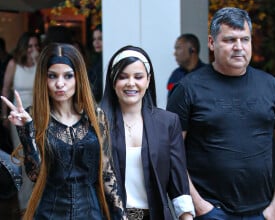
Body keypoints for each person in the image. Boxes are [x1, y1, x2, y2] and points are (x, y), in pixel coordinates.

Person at [167, 7, 275, 220]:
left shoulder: (270, 86)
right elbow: (171, 152)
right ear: (211, 43)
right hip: (211, 212)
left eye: (244, 39)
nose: (239, 47)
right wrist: (199, 206)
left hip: (261, 212)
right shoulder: (188, 88)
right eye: (229, 40)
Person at [1, 43, 126, 220]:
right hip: (49, 213)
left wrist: (120, 216)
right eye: (52, 76)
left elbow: (107, 173)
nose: (60, 83)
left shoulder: (95, 116)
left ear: (78, 78)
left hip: (91, 212)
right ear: (43, 78)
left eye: (68, 76)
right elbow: (36, 175)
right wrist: (26, 131)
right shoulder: (32, 117)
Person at [101, 45, 195, 220]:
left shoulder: (167, 122)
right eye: (123, 77)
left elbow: (178, 183)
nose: (131, 83)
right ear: (113, 81)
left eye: (138, 77)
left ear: (148, 80)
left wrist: (186, 217)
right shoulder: (98, 123)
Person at [1, 31, 40, 214]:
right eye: (29, 46)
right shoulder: (14, 64)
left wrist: (39, 60)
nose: (33, 50)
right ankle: (24, 204)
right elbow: (6, 88)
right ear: (23, 46)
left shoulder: (40, 64)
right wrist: (4, 116)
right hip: (18, 118)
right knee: (23, 158)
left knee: (38, 157)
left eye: (36, 46)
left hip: (38, 116)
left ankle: (36, 201)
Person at [167, 33, 206, 98]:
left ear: (192, 50)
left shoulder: (207, 74)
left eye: (178, 48)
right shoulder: (175, 75)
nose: (175, 53)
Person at [88, 24, 103, 103]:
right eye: (94, 39)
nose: (96, 42)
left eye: (100, 39)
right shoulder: (96, 61)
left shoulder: (104, 61)